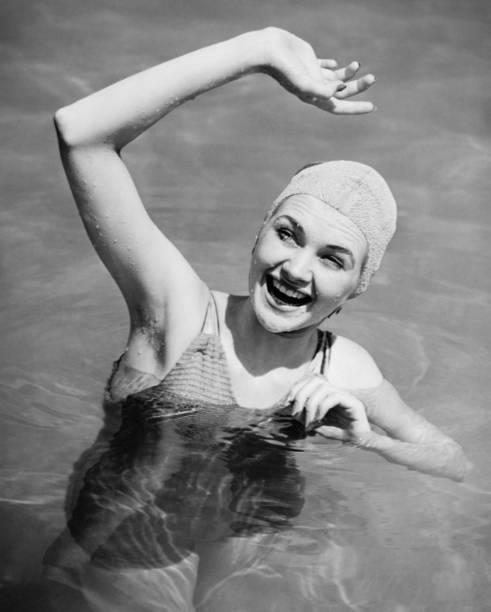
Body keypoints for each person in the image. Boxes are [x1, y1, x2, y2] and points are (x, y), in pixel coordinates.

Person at [53, 27, 470, 484]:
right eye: (288, 234)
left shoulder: (343, 368)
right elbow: (80, 133)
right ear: (258, 235)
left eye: (333, 259)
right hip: (125, 545)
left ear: (357, 287)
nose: (296, 269)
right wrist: (257, 51)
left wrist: (366, 438)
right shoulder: (182, 316)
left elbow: (453, 462)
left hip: (250, 543)